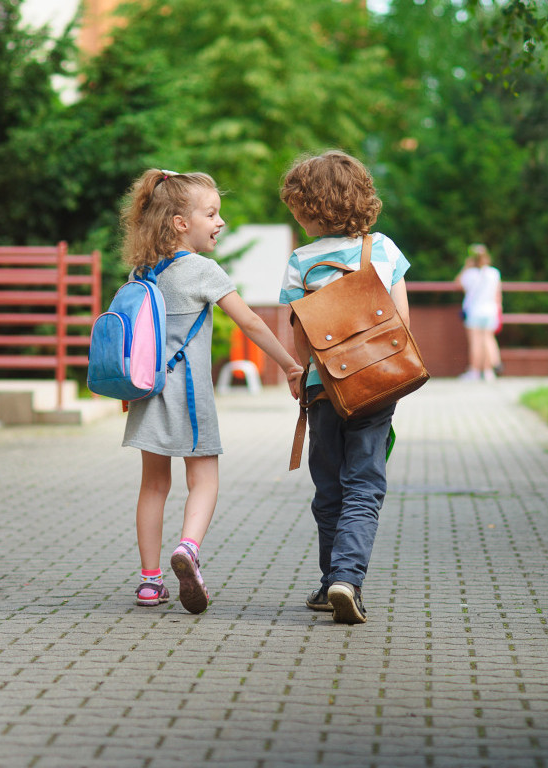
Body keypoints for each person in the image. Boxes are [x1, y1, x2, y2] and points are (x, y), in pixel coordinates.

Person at [120, 169, 303, 614]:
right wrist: (290, 365)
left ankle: (149, 583)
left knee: (153, 486)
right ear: (181, 223)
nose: (220, 222)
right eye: (211, 213)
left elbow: (131, 336)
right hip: (189, 396)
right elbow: (252, 322)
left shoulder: (141, 272)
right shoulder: (202, 269)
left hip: (146, 394)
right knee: (204, 479)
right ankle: (188, 548)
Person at [277, 150, 411, 625]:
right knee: (364, 484)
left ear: (311, 209)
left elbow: (299, 332)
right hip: (376, 383)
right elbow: (402, 322)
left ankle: (330, 578)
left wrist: (299, 373)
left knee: (329, 485)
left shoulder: (299, 262)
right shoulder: (384, 251)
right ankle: (346, 580)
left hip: (323, 390)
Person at [455, 244, 503, 381]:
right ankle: (488, 372)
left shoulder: (469, 274)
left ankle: (475, 371)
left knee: (475, 341)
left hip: (474, 310)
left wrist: (466, 266)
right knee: (488, 339)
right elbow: (498, 294)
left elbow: (457, 283)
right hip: (490, 310)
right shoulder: (494, 273)